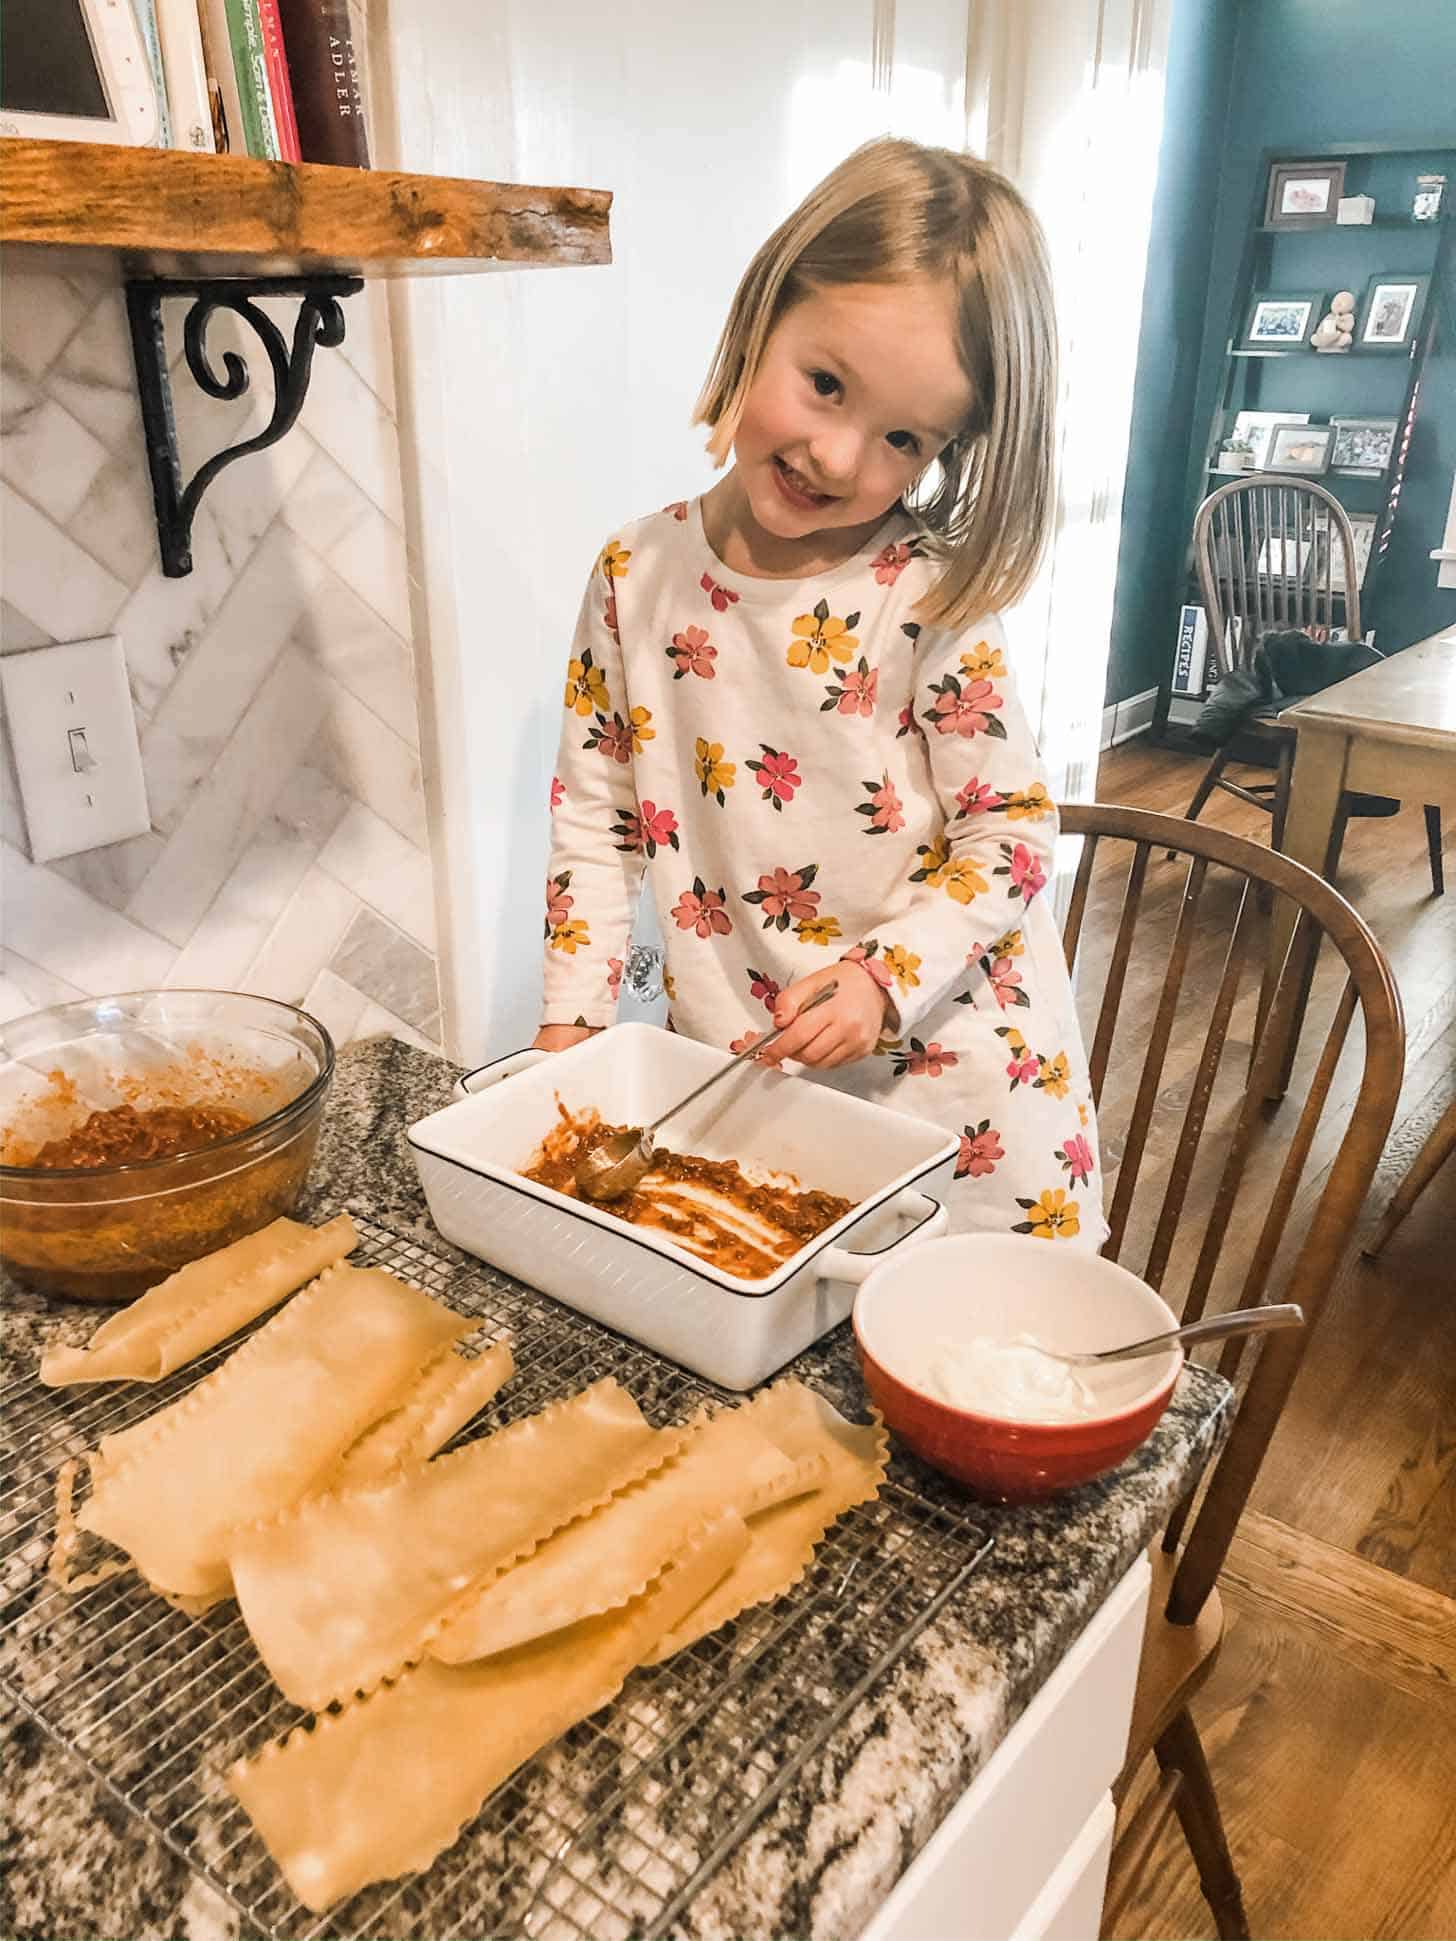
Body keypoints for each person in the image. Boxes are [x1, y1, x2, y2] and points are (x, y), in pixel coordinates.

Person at [534, 137, 1104, 1249]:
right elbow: (596, 827)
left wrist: (883, 979)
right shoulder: (633, 573)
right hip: (744, 1089)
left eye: (901, 438)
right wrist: (571, 1034)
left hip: (957, 1095)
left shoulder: (925, 594)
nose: (839, 457)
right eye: (824, 384)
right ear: (764, 314)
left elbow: (1013, 831)